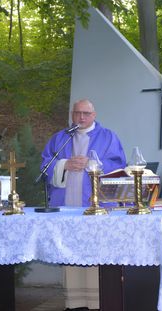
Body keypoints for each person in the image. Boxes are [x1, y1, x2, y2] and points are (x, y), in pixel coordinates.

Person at [40, 99, 126, 311]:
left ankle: (98, 301)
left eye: (86, 113)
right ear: (72, 114)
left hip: (97, 207)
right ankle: (75, 302)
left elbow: (119, 167)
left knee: (95, 249)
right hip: (66, 207)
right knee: (71, 250)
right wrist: (64, 164)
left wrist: (92, 164)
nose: (81, 117)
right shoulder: (60, 138)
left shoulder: (108, 137)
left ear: (94, 115)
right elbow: (45, 165)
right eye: (77, 113)